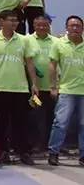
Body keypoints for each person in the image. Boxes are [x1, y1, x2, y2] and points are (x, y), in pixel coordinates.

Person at [0, 9, 39, 165]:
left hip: (20, 88)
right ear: (1, 21)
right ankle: (3, 151)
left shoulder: (24, 40)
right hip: (0, 87)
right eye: (11, 20)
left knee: (21, 122)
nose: (14, 23)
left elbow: (29, 63)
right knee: (2, 122)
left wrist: (34, 84)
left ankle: (24, 152)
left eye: (16, 20)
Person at [47, 15, 84, 166]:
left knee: (83, 125)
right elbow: (52, 66)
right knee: (60, 123)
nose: (75, 28)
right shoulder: (59, 44)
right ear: (67, 28)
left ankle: (83, 156)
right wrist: (53, 86)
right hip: (66, 90)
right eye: (71, 25)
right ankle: (53, 152)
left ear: (82, 28)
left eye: (78, 26)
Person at [28, 14, 57, 155]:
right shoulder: (27, 40)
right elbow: (26, 61)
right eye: (38, 25)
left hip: (52, 89)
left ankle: (49, 145)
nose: (41, 27)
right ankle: (36, 144)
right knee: (37, 116)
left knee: (52, 117)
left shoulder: (56, 42)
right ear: (33, 25)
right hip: (36, 90)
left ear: (49, 26)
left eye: (44, 25)